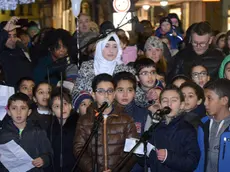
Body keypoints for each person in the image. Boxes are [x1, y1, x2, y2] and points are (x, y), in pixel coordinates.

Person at [73, 73, 138, 172]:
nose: (106, 95)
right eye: (101, 91)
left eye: (110, 91)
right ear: (94, 95)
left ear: (114, 94)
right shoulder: (85, 120)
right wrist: (94, 170)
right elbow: (79, 149)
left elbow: (133, 151)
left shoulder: (127, 120)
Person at [148, 85, 200, 172]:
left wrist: (168, 157)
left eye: (174, 100)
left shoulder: (187, 129)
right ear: (160, 105)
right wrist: (141, 154)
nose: (169, 104)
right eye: (165, 101)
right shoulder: (155, 127)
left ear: (182, 105)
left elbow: (192, 162)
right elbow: (149, 162)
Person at [0, 92, 53, 172]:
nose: (18, 112)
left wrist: (43, 159)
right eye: (14, 108)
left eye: (23, 108)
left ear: (29, 112)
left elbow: (49, 154)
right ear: (9, 112)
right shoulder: (2, 134)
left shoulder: (38, 132)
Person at [196, 79, 230, 172]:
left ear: (224, 100)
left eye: (209, 98)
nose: (205, 103)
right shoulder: (203, 124)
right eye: (204, 98)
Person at [48, 87, 79, 172]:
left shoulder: (80, 124)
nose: (62, 109)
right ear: (52, 110)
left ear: (70, 106)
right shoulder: (50, 128)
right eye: (57, 106)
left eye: (65, 104)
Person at [0, 17, 33, 87]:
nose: (12, 39)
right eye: (8, 36)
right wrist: (4, 31)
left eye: (14, 36)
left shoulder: (20, 49)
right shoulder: (2, 52)